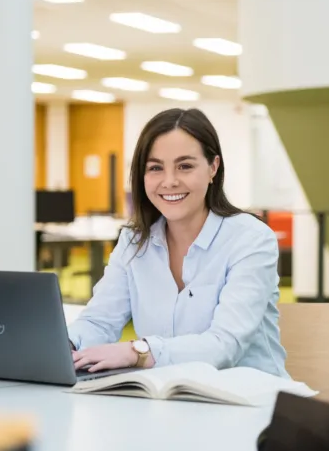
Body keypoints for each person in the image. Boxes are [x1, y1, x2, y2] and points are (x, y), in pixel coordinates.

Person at [67, 108, 289, 378]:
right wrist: (67, 344)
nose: (169, 181)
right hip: (168, 400)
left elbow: (224, 345)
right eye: (155, 168)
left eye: (185, 166)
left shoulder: (250, 239)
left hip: (248, 402)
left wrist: (137, 352)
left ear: (213, 168)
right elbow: (99, 321)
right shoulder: (134, 242)